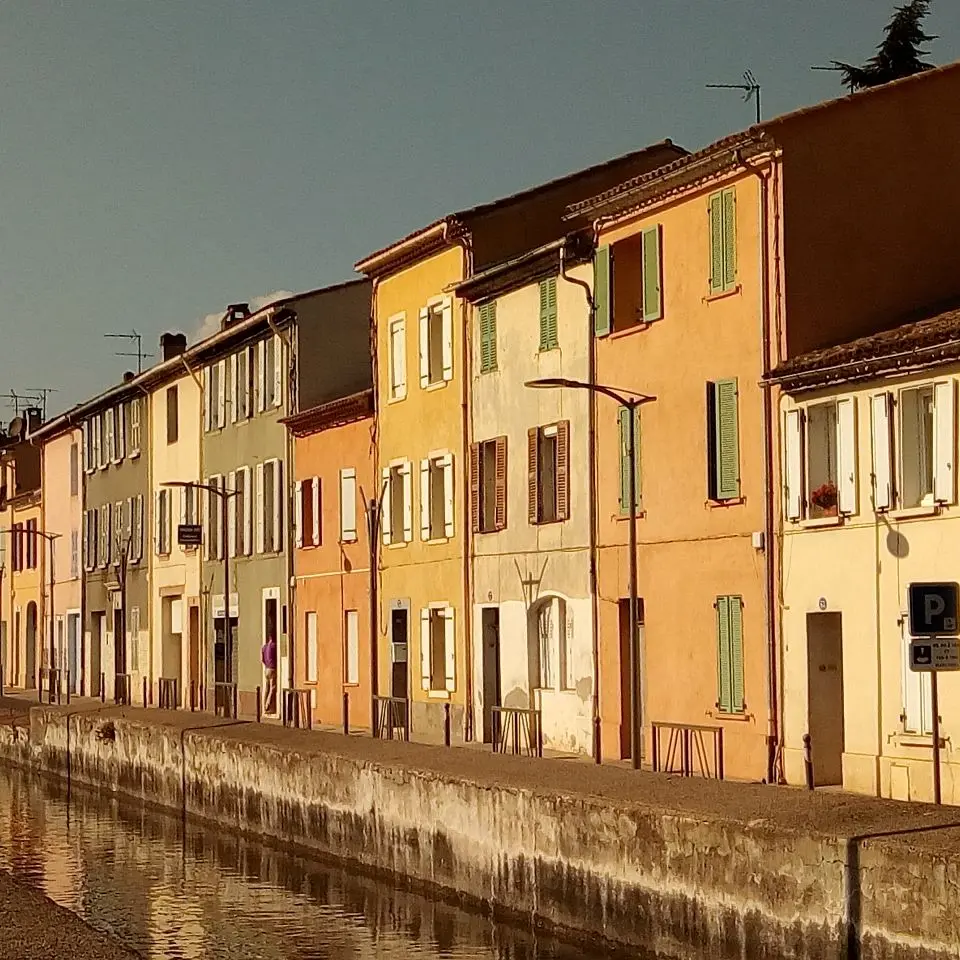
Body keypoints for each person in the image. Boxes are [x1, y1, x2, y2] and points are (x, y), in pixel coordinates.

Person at [262, 631, 277, 714]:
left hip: (266, 669)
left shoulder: (264, 647)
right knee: (272, 688)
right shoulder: (274, 646)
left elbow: (262, 659)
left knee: (266, 688)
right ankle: (268, 704)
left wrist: (266, 664)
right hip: (272, 668)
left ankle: (263, 706)